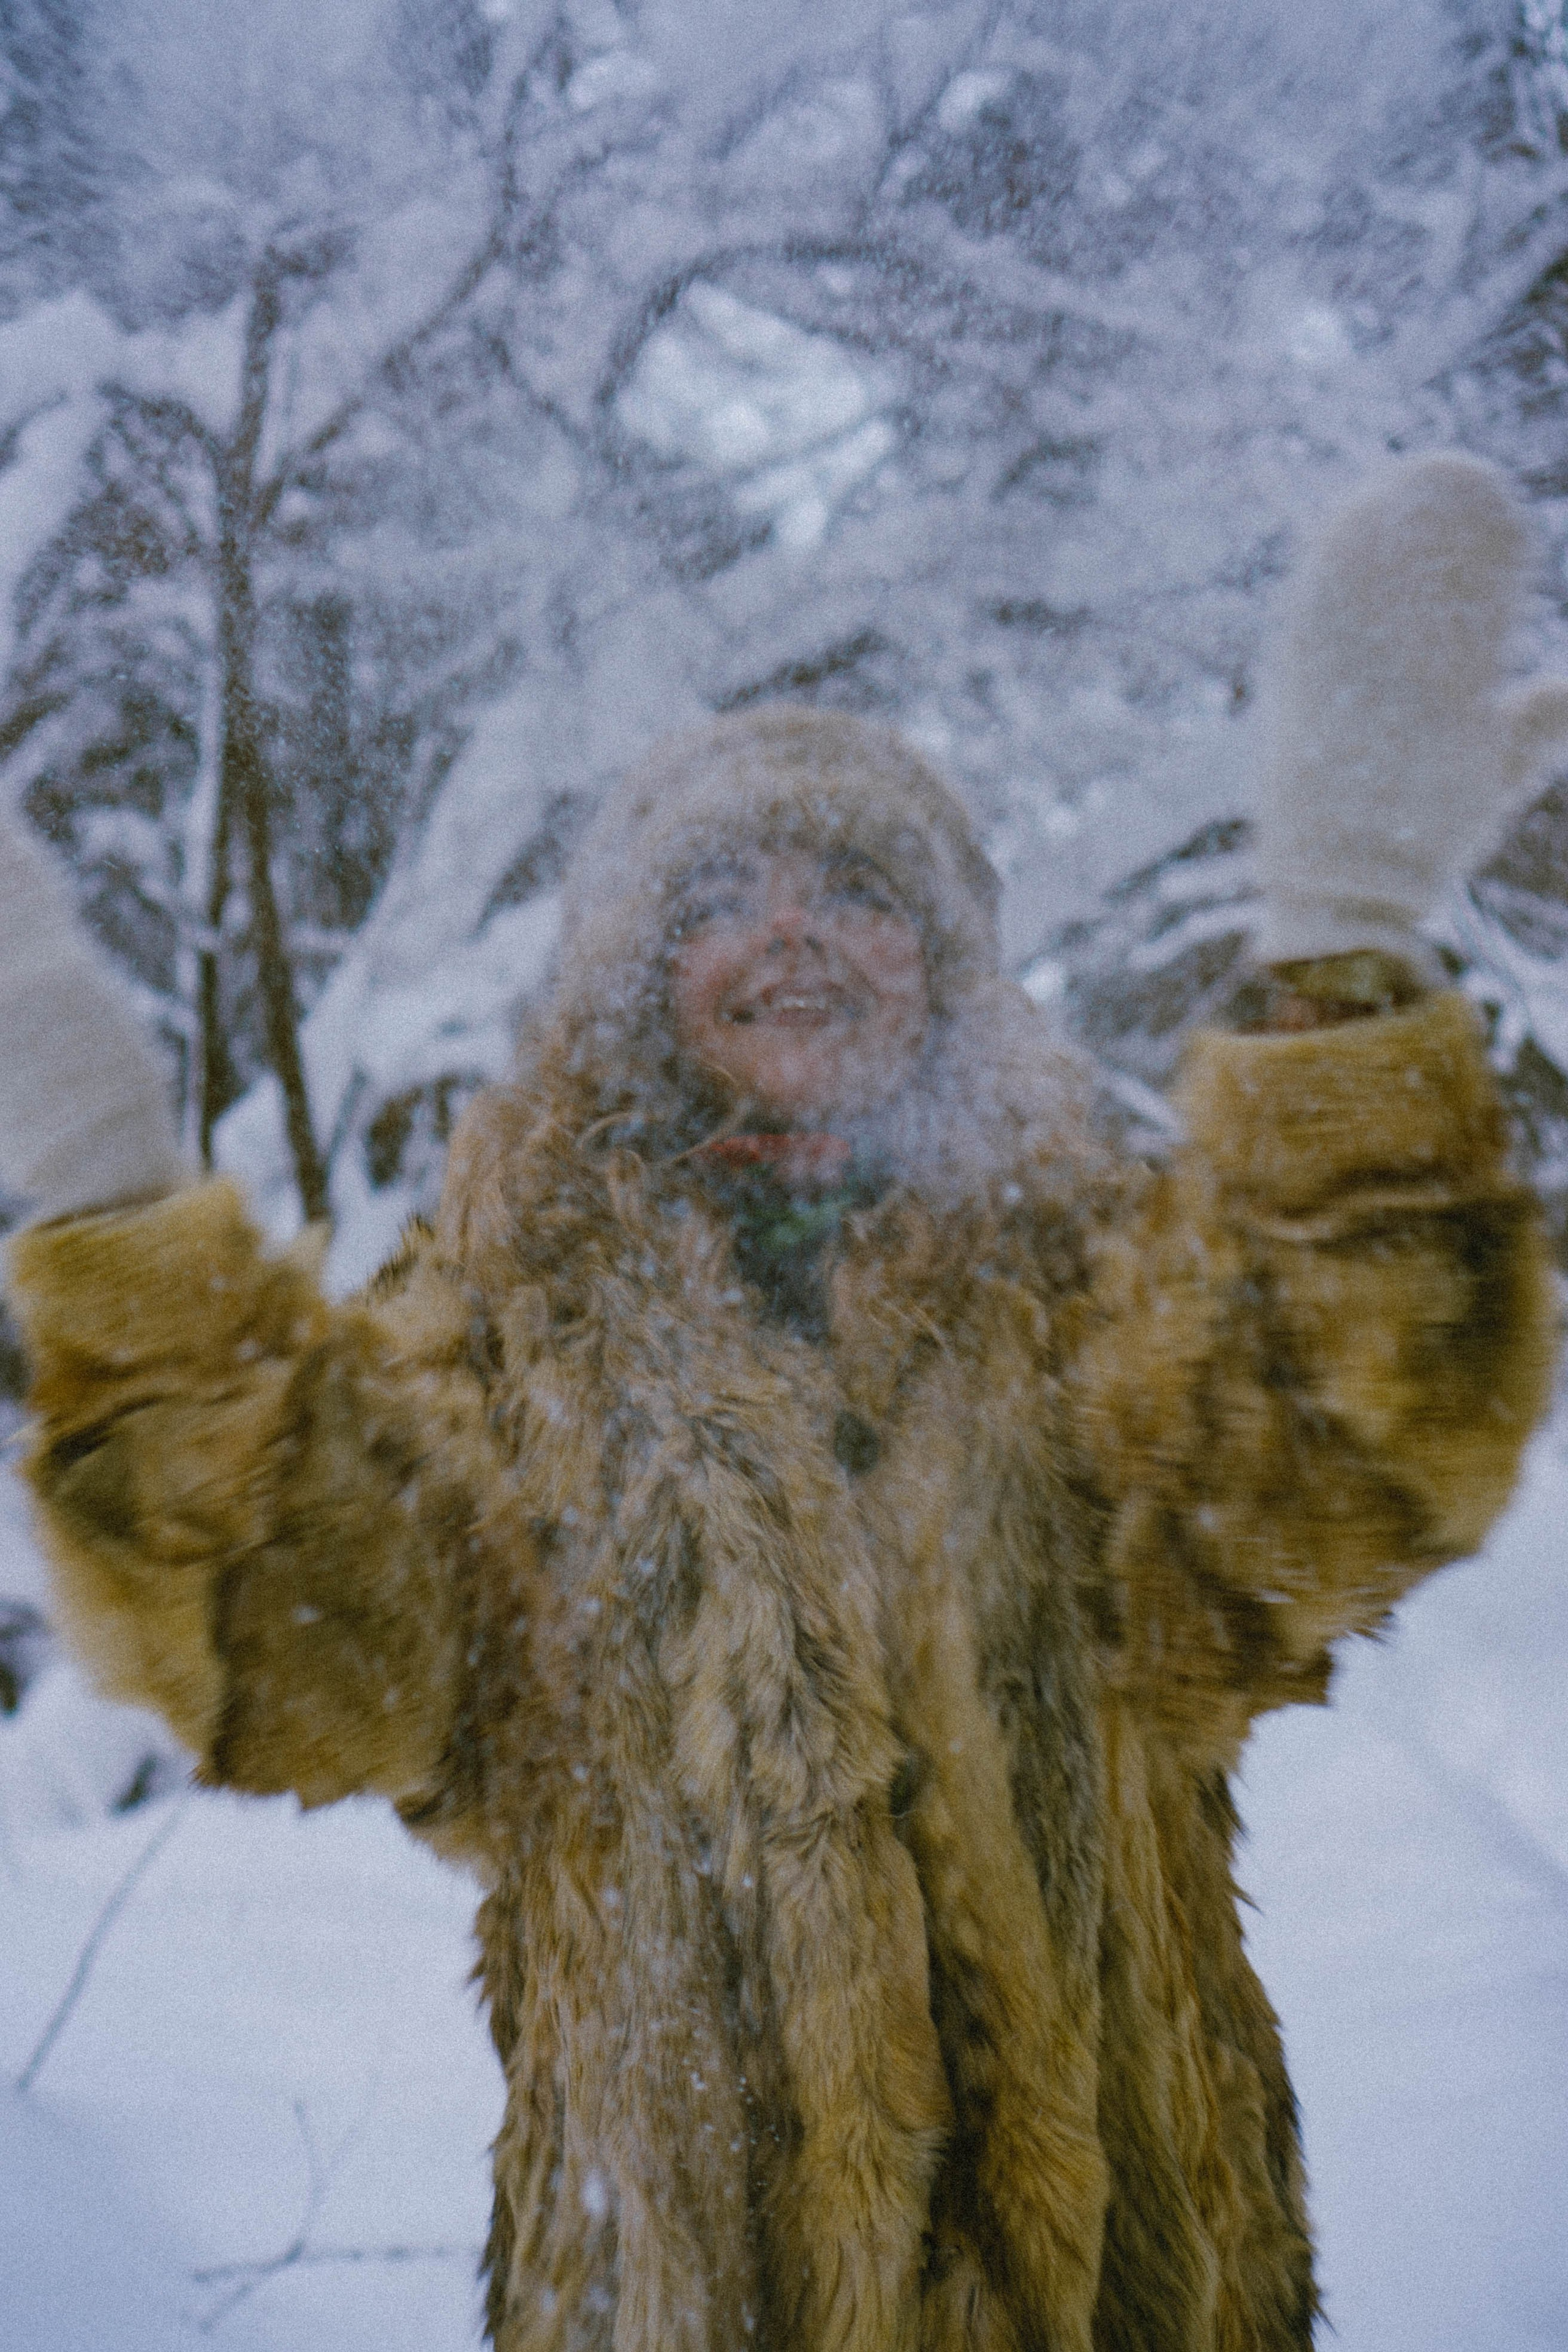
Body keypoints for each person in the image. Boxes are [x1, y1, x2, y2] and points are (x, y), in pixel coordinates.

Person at [0, 456, 1561, 2352]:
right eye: (722, 897)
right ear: (644, 977)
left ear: (949, 959)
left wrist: (1345, 952)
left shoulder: (1096, 1274)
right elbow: (318, 1661)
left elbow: (1344, 1464)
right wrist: (106, 1204)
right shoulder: (496, 1321)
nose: (793, 931)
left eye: (857, 888)